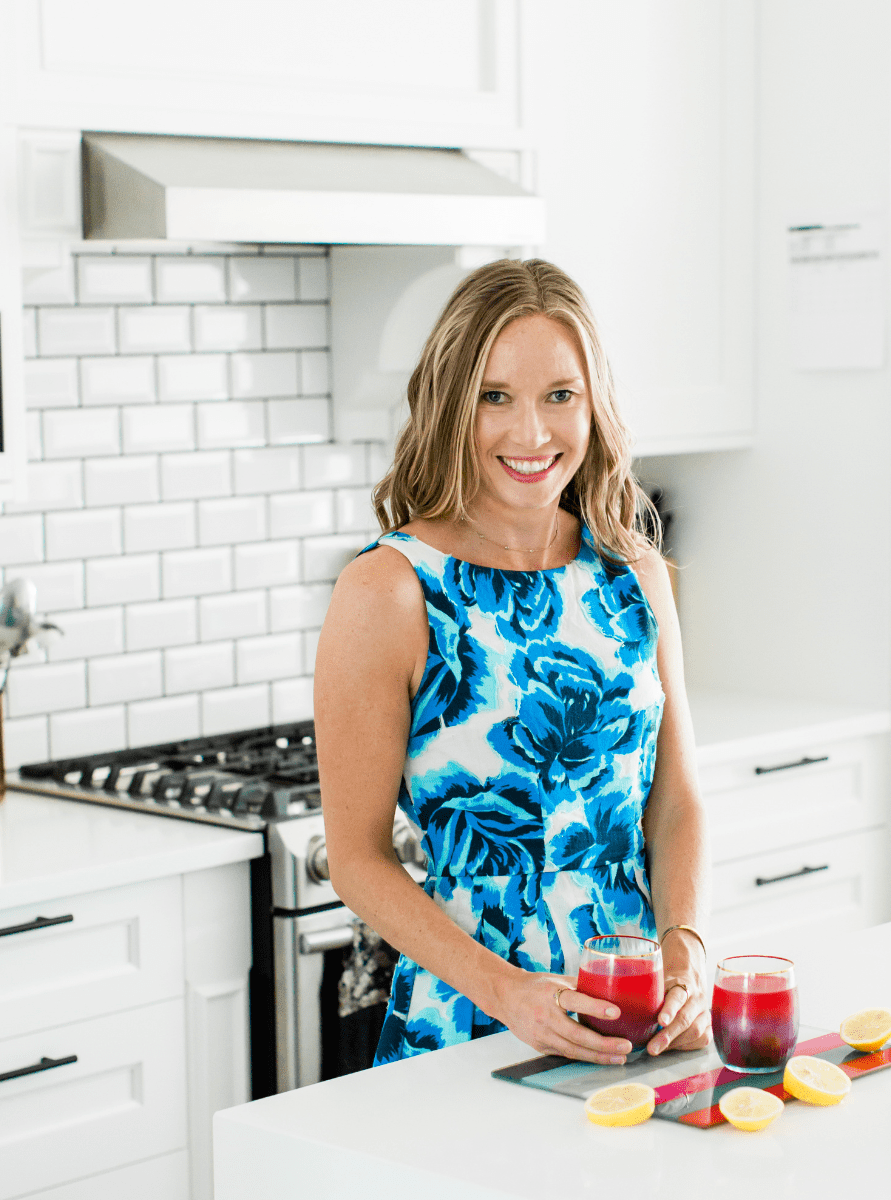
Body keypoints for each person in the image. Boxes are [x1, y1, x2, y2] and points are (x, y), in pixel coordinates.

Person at [315, 258, 710, 1067]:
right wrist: (506, 993)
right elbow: (357, 860)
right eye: (496, 397)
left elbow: (675, 802)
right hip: (470, 1026)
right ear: (453, 405)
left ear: (594, 404)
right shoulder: (389, 591)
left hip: (638, 1020)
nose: (531, 434)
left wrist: (687, 944)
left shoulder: (632, 574)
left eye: (560, 396)